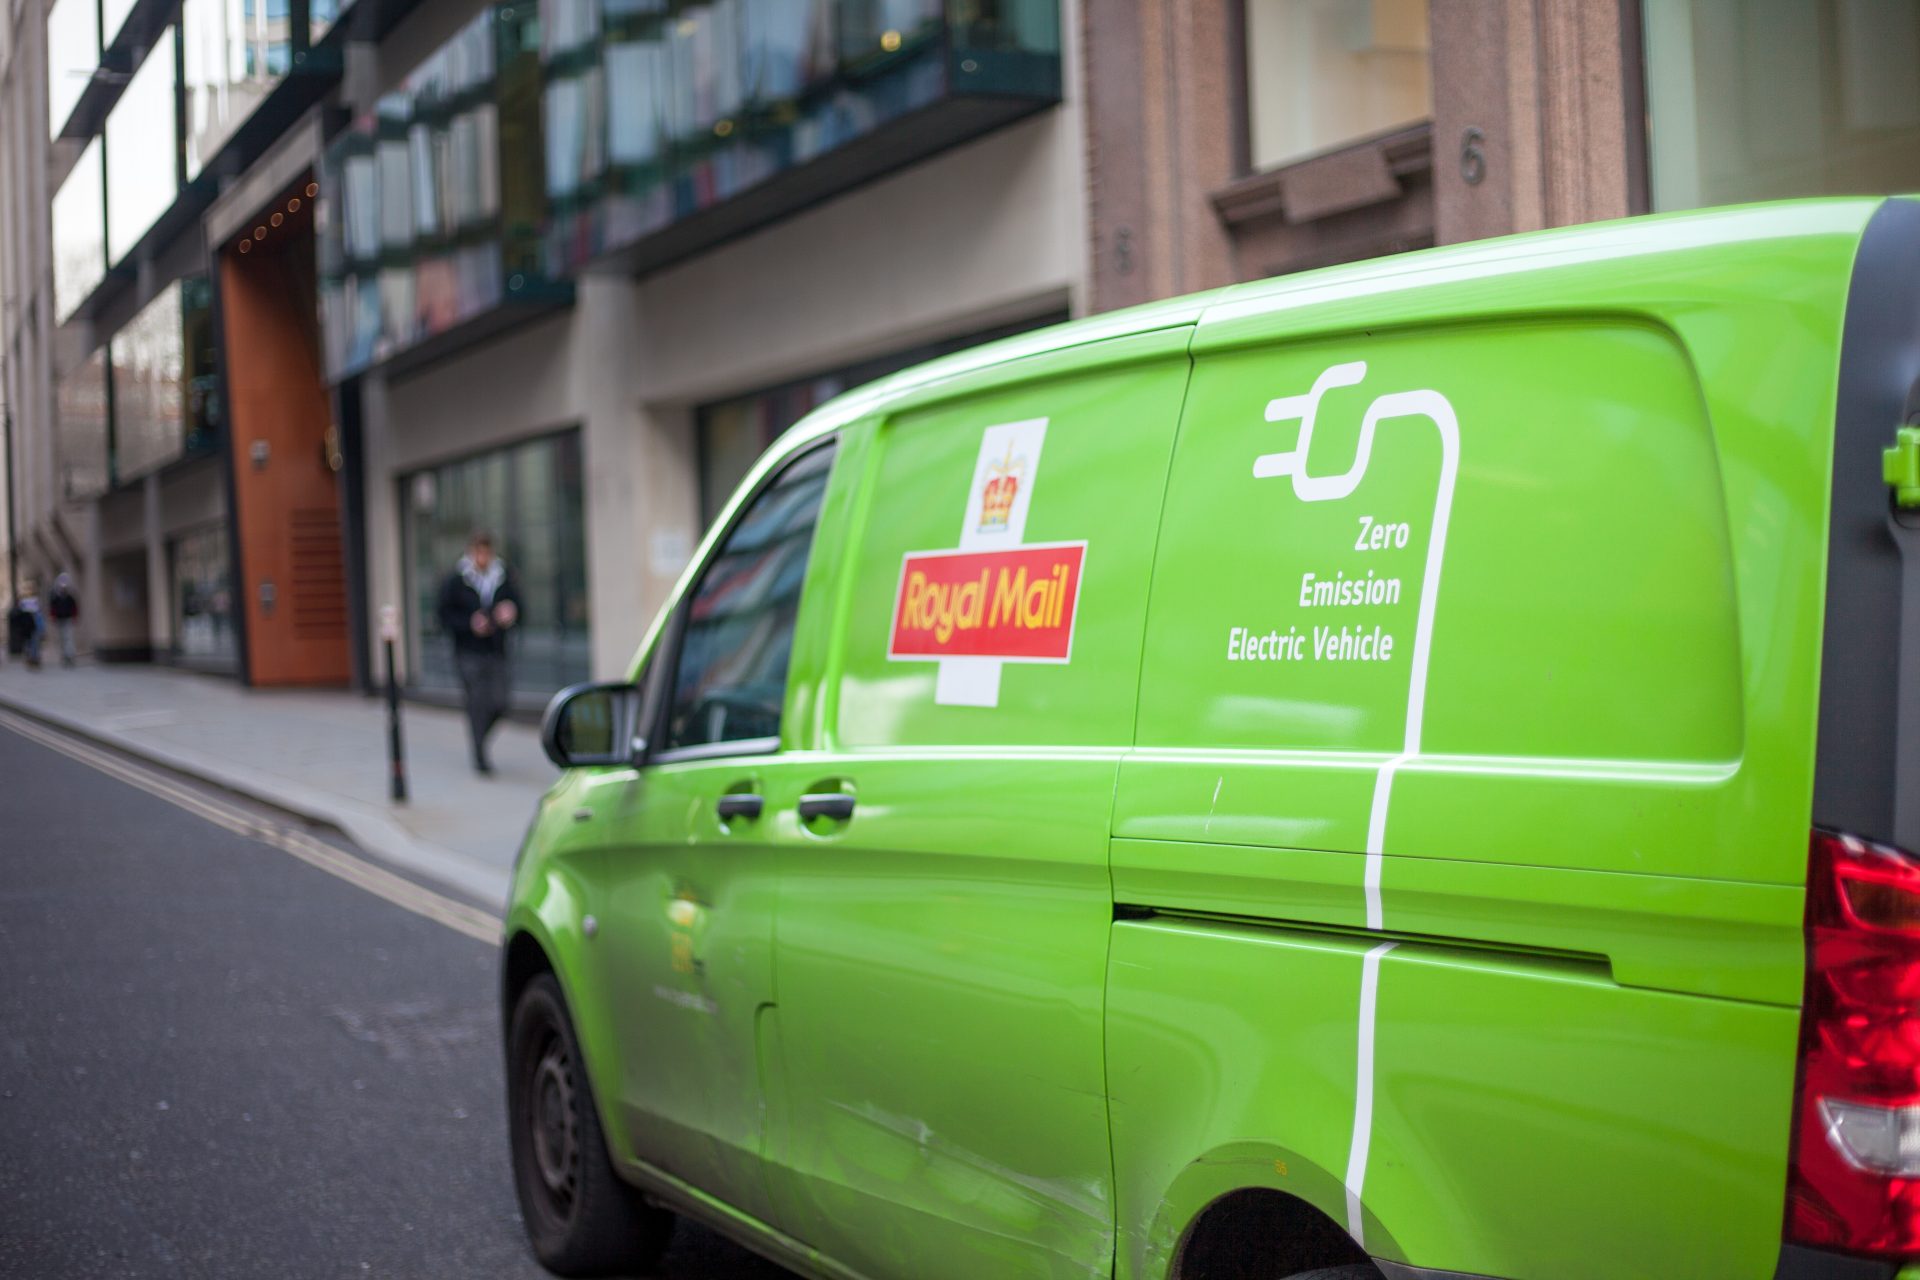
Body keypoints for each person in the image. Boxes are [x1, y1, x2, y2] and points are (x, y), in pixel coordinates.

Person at [437, 531, 522, 774]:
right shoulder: (456, 580)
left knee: (501, 702)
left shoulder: (503, 576)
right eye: (479, 553)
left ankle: (480, 739)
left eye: (487, 552)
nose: (483, 557)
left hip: (497, 650)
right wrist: (469, 624)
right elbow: (443, 616)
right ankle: (479, 753)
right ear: (471, 553)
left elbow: (520, 607)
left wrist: (511, 613)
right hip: (468, 651)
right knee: (477, 702)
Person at [48, 574, 79, 667]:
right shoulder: (55, 598)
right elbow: (52, 609)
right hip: (59, 620)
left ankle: (70, 655)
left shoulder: (70, 598)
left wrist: (74, 617)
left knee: (68, 638)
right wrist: (53, 617)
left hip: (68, 619)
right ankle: (64, 656)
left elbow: (74, 608)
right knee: (61, 639)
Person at [13, 580, 44, 669]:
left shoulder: (35, 601)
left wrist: (41, 627)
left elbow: (39, 616)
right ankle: (30, 658)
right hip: (26, 626)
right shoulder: (23, 602)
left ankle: (34, 658)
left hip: (34, 625)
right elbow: (19, 615)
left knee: (35, 642)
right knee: (28, 643)